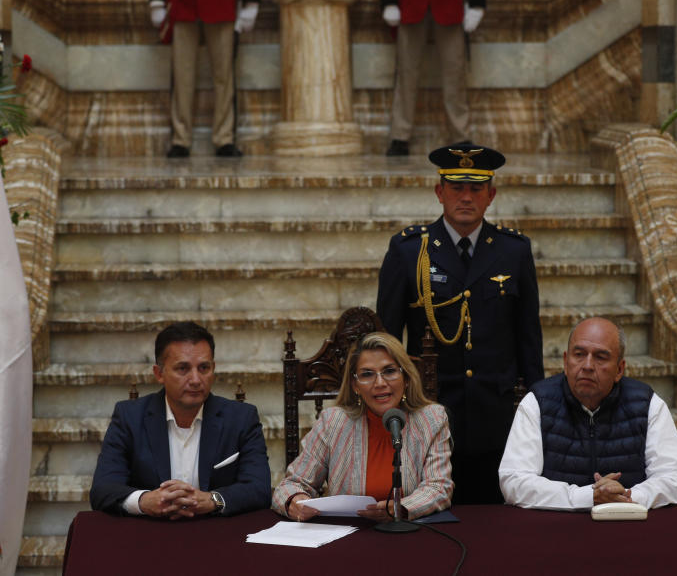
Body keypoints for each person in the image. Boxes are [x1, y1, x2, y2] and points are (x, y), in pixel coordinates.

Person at [376, 143, 543, 504]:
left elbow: (528, 338)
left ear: (491, 195)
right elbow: (387, 341)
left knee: (496, 521)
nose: (466, 197)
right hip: (430, 412)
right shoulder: (409, 250)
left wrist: (536, 407)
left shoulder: (513, 250)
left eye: (476, 188)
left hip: (496, 417)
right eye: (456, 188)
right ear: (440, 192)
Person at [498, 317, 677, 510]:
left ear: (619, 369)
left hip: (628, 526)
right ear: (566, 362)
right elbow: (514, 481)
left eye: (600, 357)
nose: (588, 366)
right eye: (579, 354)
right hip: (559, 530)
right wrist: (588, 496)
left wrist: (628, 496)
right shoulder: (537, 402)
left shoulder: (646, 403)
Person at [90, 321, 271, 517]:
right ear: (159, 374)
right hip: (150, 534)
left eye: (204, 368)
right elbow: (102, 489)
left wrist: (213, 500)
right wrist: (144, 501)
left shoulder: (241, 418)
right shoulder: (129, 417)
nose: (195, 379)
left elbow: (259, 489)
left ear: (214, 369)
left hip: (216, 533)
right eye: (183, 369)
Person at [272, 332, 453, 522]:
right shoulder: (333, 423)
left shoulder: (432, 420)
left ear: (406, 378)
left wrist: (403, 508)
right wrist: (295, 500)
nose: (380, 383)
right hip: (347, 536)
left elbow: (439, 487)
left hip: (407, 533)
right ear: (355, 385)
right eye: (367, 374)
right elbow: (291, 484)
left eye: (390, 371)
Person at [149, 0, 260, 158]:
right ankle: (180, 139)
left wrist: (251, 1)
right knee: (182, 74)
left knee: (223, 74)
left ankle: (224, 138)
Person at [378, 0, 486, 156]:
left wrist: (477, 3)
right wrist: (389, 1)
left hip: (449, 0)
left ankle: (460, 135)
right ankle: (400, 136)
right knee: (406, 73)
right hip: (412, 0)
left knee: (455, 72)